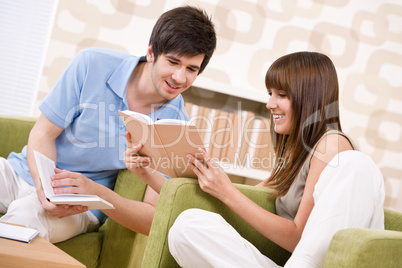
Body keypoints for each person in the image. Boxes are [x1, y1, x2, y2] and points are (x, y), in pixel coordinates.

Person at [0, 5, 216, 243]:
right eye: (173, 62)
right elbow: (43, 133)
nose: (179, 77)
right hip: (22, 173)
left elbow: (151, 217)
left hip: (81, 206)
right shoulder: (91, 63)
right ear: (152, 52)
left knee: (25, 216)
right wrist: (45, 190)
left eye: (191, 69)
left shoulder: (177, 127)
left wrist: (91, 191)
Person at [167, 52, 385, 267]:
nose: (270, 104)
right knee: (186, 227)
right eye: (270, 93)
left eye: (281, 94)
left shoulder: (332, 146)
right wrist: (151, 171)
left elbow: (303, 241)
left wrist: (227, 191)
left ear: (309, 98)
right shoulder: (296, 154)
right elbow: (250, 198)